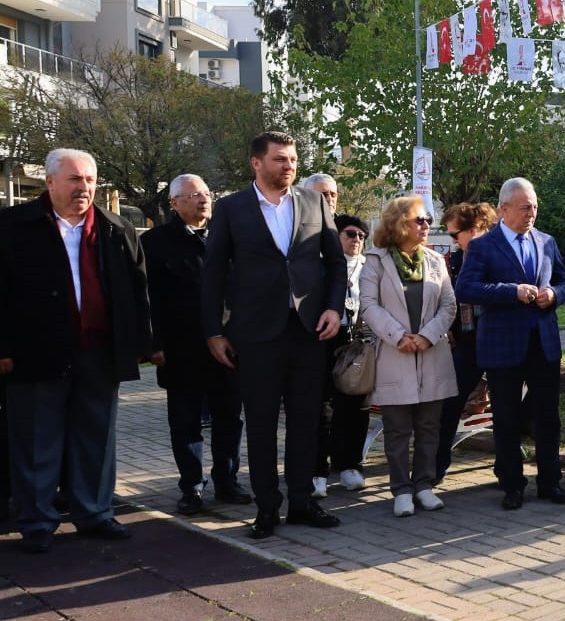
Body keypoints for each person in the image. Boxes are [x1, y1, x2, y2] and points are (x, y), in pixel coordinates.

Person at [0, 149, 151, 553]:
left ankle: (94, 513)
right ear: (49, 182)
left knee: (96, 436)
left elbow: (138, 293)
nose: (84, 187)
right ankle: (37, 520)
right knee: (36, 438)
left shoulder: (117, 230)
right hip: (35, 350)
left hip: (97, 350)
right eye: (74, 179)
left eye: (89, 179)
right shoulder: (13, 226)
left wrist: (138, 344)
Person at [203, 131, 345, 539]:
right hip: (255, 334)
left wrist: (334, 308)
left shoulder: (314, 202)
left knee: (306, 421)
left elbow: (335, 264)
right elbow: (212, 275)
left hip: (308, 331)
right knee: (262, 423)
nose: (289, 166)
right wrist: (213, 331)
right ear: (257, 163)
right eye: (281, 159)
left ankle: (301, 501)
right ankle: (267, 507)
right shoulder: (231, 208)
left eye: (293, 160)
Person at [456, 178, 565, 509]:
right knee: (506, 417)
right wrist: (512, 291)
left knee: (548, 417)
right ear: (503, 209)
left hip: (543, 342)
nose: (532, 212)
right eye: (525, 206)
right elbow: (465, 288)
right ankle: (512, 484)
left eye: (535, 205)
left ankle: (550, 482)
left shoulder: (547, 242)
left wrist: (553, 294)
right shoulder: (482, 246)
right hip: (503, 344)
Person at [142, 173, 248, 516]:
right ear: (174, 203)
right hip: (180, 347)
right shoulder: (155, 243)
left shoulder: (228, 235)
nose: (203, 200)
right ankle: (191, 486)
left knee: (229, 418)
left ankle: (227, 481)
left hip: (228, 345)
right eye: (193, 195)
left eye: (206, 194)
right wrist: (153, 343)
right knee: (185, 422)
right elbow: (145, 298)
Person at [360, 197, 458, 517]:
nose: (427, 225)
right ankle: (401, 489)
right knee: (398, 428)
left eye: (428, 219)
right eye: (420, 220)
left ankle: (425, 486)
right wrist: (398, 335)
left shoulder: (435, 260)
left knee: (430, 426)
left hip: (431, 354)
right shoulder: (375, 261)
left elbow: (449, 305)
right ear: (400, 224)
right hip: (394, 354)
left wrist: (427, 335)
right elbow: (368, 306)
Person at [435, 202, 497, 482]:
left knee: (506, 406)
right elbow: (449, 297)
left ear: (474, 230)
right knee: (450, 402)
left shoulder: (499, 253)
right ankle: (436, 466)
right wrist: (448, 325)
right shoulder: (458, 259)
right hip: (467, 342)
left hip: (499, 340)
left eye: (454, 234)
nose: (452, 241)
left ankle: (506, 469)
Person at [313, 214, 371, 498]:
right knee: (323, 406)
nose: (356, 240)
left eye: (361, 236)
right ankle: (317, 471)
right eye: (350, 234)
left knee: (356, 404)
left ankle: (350, 465)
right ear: (336, 236)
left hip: (356, 342)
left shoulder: (369, 268)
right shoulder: (321, 266)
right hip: (324, 339)